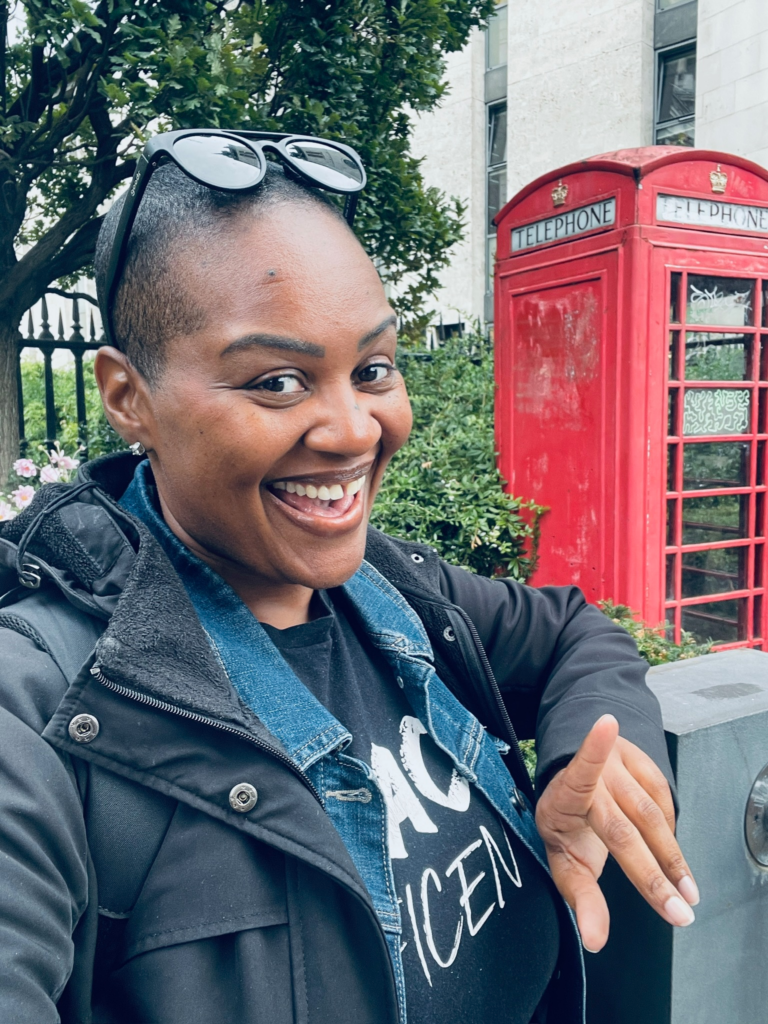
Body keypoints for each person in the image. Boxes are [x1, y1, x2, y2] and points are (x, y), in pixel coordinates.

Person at [0, 130, 698, 1024]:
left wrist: (600, 755)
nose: (354, 430)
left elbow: (571, 631)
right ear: (127, 396)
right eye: (278, 382)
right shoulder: (41, 713)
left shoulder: (396, 592)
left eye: (372, 370)